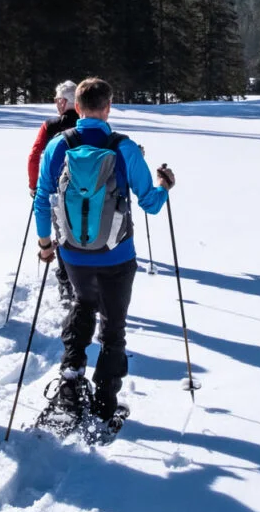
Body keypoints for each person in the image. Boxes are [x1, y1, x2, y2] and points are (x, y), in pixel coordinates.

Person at [34, 76, 175, 433]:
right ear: (108, 108)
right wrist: (164, 186)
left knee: (83, 304)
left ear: (76, 107)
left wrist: (46, 243)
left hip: (74, 254)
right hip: (116, 253)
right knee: (113, 326)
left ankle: (70, 381)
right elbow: (151, 205)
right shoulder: (123, 148)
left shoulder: (58, 145)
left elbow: (42, 197)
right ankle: (105, 403)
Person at [27, 80, 79, 301]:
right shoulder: (90, 122)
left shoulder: (50, 125)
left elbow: (34, 155)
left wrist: (33, 185)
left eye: (57, 100)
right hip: (86, 189)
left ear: (63, 101)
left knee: (61, 232)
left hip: (55, 191)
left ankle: (65, 281)